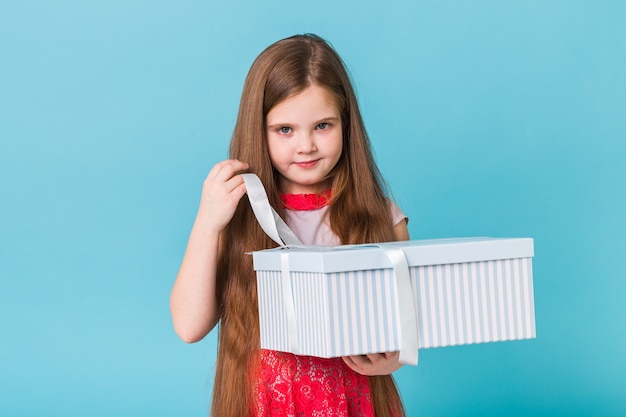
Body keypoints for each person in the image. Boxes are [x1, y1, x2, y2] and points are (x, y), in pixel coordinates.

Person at [170, 33, 410, 417]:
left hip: (356, 400)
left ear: (347, 124)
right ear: (258, 130)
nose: (306, 146)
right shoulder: (238, 215)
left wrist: (394, 360)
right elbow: (188, 326)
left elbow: (407, 326)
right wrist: (207, 223)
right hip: (269, 403)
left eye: (323, 126)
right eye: (285, 129)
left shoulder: (382, 217)